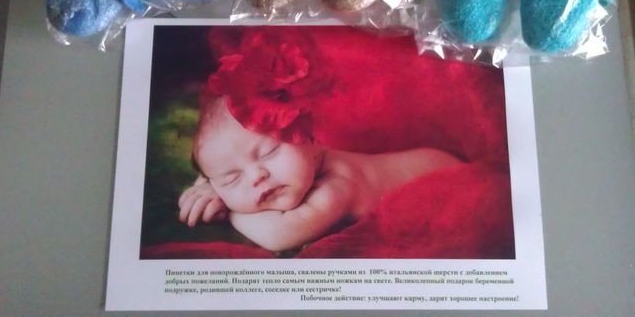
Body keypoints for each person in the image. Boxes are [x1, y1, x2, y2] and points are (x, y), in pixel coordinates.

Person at [178, 96, 462, 252]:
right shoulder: (304, 164)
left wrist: (229, 206)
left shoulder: (339, 184)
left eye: (269, 152)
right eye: (232, 178)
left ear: (310, 139)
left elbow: (278, 235)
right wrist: (210, 186)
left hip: (447, 180)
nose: (256, 176)